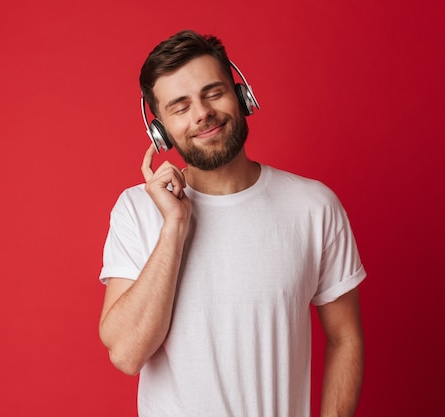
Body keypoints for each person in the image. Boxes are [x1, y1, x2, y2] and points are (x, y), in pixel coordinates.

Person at [98, 29, 366, 417]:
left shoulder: (313, 206)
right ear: (160, 132)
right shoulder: (136, 210)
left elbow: (345, 337)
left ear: (242, 96)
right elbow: (126, 354)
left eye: (213, 92)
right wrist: (174, 226)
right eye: (180, 106)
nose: (201, 113)